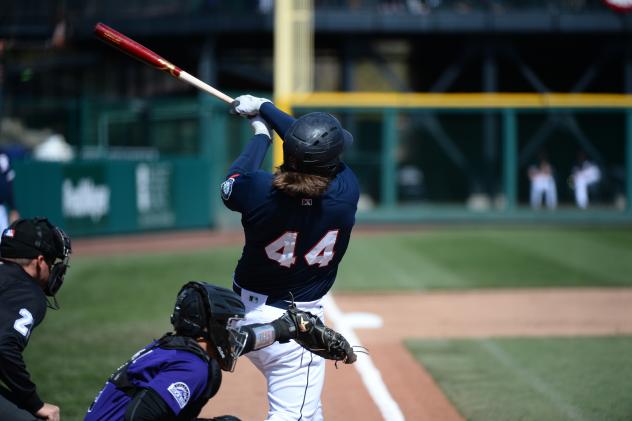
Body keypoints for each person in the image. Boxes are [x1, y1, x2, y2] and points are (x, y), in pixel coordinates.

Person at [224, 95, 359, 420]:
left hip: (243, 312)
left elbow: (234, 178)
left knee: (309, 414)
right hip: (294, 328)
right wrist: (267, 108)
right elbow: (309, 148)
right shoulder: (345, 193)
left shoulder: (257, 190)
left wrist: (260, 134)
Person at [84, 281, 351, 421]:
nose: (233, 332)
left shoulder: (175, 349)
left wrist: (286, 327)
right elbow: (137, 419)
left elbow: (243, 340)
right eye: (228, 324)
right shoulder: (192, 367)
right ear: (209, 327)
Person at [0, 217, 72, 421]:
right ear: (40, 262)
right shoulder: (29, 293)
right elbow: (4, 347)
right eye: (52, 261)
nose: (55, 268)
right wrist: (35, 404)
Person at [0, 152, 21, 236]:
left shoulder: (4, 156)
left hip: (1, 207)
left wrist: (13, 208)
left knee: (6, 236)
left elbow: (7, 186)